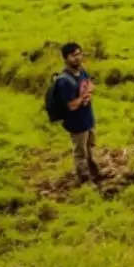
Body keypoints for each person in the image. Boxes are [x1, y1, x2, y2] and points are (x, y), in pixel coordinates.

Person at [43, 42, 100, 184]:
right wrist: (84, 97)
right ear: (65, 58)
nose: (78, 58)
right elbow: (71, 106)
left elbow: (89, 84)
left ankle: (95, 173)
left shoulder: (82, 71)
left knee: (89, 148)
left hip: (87, 118)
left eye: (80, 54)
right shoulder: (64, 82)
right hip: (76, 122)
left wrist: (89, 91)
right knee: (80, 153)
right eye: (74, 56)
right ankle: (84, 180)